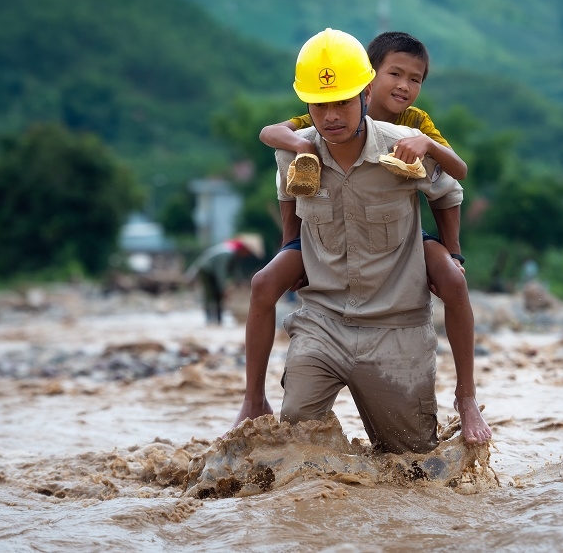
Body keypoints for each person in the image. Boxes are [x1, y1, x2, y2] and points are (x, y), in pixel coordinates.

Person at [236, 27, 491, 452]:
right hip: (325, 271)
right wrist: (289, 246)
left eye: (414, 79)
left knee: (411, 460)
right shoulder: (304, 141)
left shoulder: (410, 137)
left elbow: (453, 184)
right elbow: (286, 185)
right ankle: (252, 399)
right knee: (264, 283)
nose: (332, 115)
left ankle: (466, 398)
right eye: (321, 106)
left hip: (398, 270)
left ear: (362, 94)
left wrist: (454, 251)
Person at [185, 235, 264, 325]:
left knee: (219, 298)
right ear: (244, 249)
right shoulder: (227, 253)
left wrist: (243, 283)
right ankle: (210, 320)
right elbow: (220, 272)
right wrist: (223, 289)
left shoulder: (235, 256)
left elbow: (236, 272)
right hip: (207, 270)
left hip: (214, 271)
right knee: (210, 296)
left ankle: (219, 320)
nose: (247, 255)